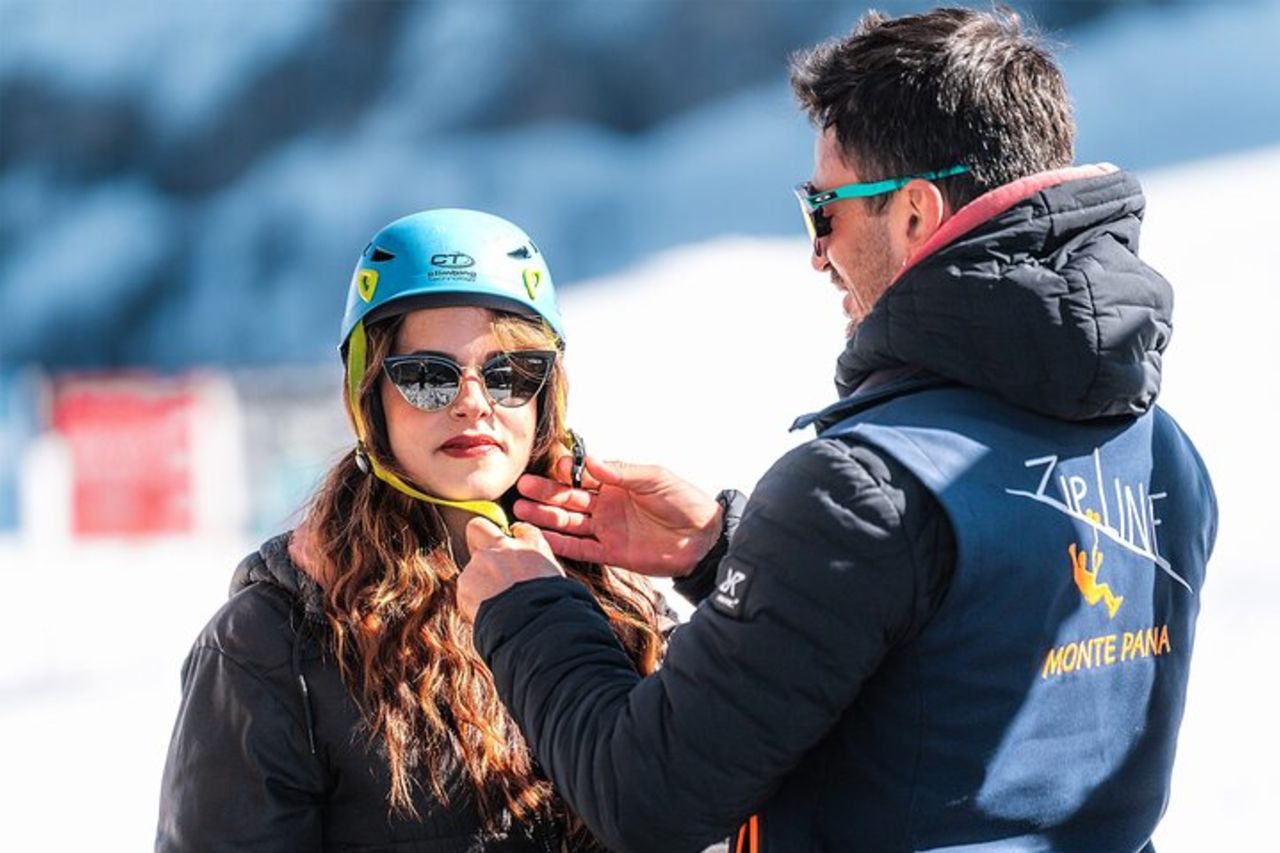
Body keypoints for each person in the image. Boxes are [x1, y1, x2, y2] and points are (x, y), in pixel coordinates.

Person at [456, 7, 1218, 853]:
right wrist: (730, 544)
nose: (817, 253)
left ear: (917, 215)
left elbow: (645, 794)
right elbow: (966, 658)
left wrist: (527, 611)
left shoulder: (861, 486)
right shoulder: (1162, 449)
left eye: (825, 209)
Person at [156, 209, 667, 851]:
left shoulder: (622, 598)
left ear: (546, 398)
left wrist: (715, 558)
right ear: (371, 397)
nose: (474, 402)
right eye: (428, 376)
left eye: (511, 375)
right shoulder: (272, 641)